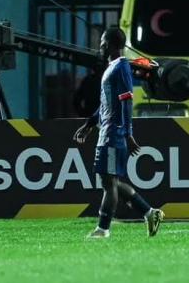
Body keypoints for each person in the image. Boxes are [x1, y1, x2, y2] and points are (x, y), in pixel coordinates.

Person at [73, 26, 164, 239]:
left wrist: (127, 134)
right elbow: (107, 104)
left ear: (113, 44)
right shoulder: (112, 67)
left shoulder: (121, 68)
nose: (100, 45)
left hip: (114, 135)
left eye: (103, 41)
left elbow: (126, 102)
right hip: (107, 133)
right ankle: (150, 213)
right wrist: (89, 124)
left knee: (109, 183)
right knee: (110, 181)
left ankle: (103, 229)